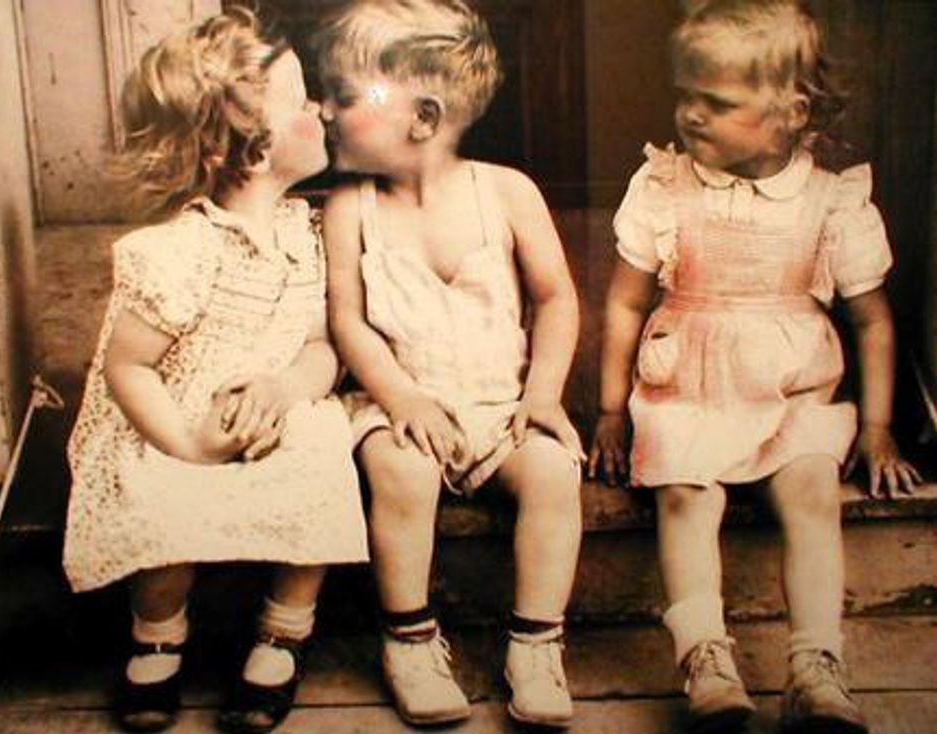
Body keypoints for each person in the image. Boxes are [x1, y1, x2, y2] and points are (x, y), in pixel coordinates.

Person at [588, 2, 920, 732]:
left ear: (789, 112)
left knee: (812, 492)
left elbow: (872, 319)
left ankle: (815, 665)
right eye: (685, 94)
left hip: (791, 393)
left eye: (717, 101)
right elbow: (624, 303)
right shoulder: (664, 187)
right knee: (686, 495)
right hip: (687, 390)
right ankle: (705, 658)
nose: (691, 114)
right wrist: (611, 409)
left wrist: (877, 428)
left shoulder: (831, 201)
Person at [62, 9, 368, 733]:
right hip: (181, 415)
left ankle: (283, 630)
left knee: (321, 452)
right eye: (301, 100)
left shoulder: (305, 232)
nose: (322, 108)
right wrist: (187, 442)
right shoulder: (181, 249)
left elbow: (322, 346)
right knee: (159, 480)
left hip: (274, 410)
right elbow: (128, 367)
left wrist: (286, 389)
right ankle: (158, 633)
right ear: (256, 151)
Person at [317, 0, 583, 727]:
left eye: (343, 96)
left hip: (501, 404)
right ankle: (409, 639)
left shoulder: (507, 193)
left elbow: (556, 298)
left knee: (554, 473)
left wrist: (543, 394)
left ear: (424, 117)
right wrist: (401, 397)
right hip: (398, 405)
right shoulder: (351, 208)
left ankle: (535, 644)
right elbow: (348, 321)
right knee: (401, 473)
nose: (324, 111)